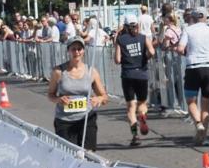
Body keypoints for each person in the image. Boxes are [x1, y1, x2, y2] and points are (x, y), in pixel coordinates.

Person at [176, 7, 209, 145]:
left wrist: (187, 54)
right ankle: (203, 137)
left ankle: (198, 123)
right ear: (206, 17)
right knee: (205, 104)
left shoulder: (188, 30)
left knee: (191, 101)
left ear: (192, 17)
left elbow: (180, 48)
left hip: (193, 67)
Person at [48, 37, 108, 151]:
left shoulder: (91, 71)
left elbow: (104, 97)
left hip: (86, 119)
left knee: (89, 155)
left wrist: (99, 99)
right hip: (65, 120)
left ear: (83, 51)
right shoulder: (58, 71)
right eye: (73, 49)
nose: (76, 52)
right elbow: (50, 94)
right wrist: (58, 100)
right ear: (68, 51)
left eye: (79, 49)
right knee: (69, 156)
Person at [114, 14, 156, 146]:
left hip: (127, 75)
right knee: (142, 103)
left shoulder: (121, 40)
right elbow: (152, 52)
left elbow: (117, 60)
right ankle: (142, 116)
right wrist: (145, 57)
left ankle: (135, 135)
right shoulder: (143, 38)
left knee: (130, 107)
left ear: (125, 26)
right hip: (141, 74)